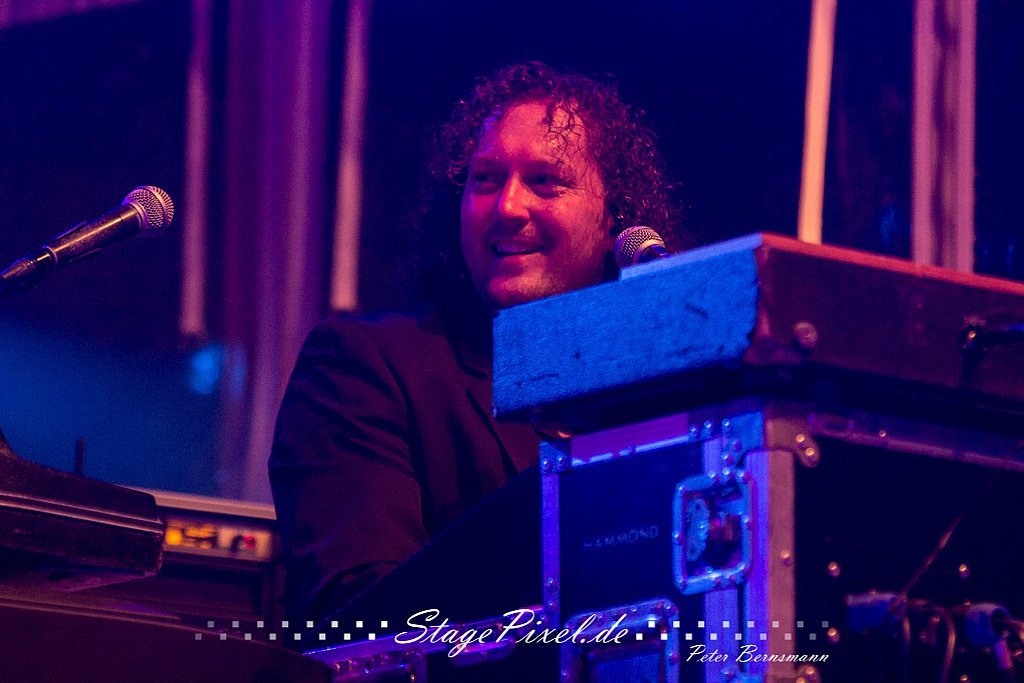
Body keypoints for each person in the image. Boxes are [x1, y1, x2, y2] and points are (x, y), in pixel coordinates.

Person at [269, 61, 681, 625]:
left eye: (545, 181)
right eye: (485, 179)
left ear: (616, 218)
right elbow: (362, 615)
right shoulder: (362, 367)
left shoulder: (659, 392)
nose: (507, 207)